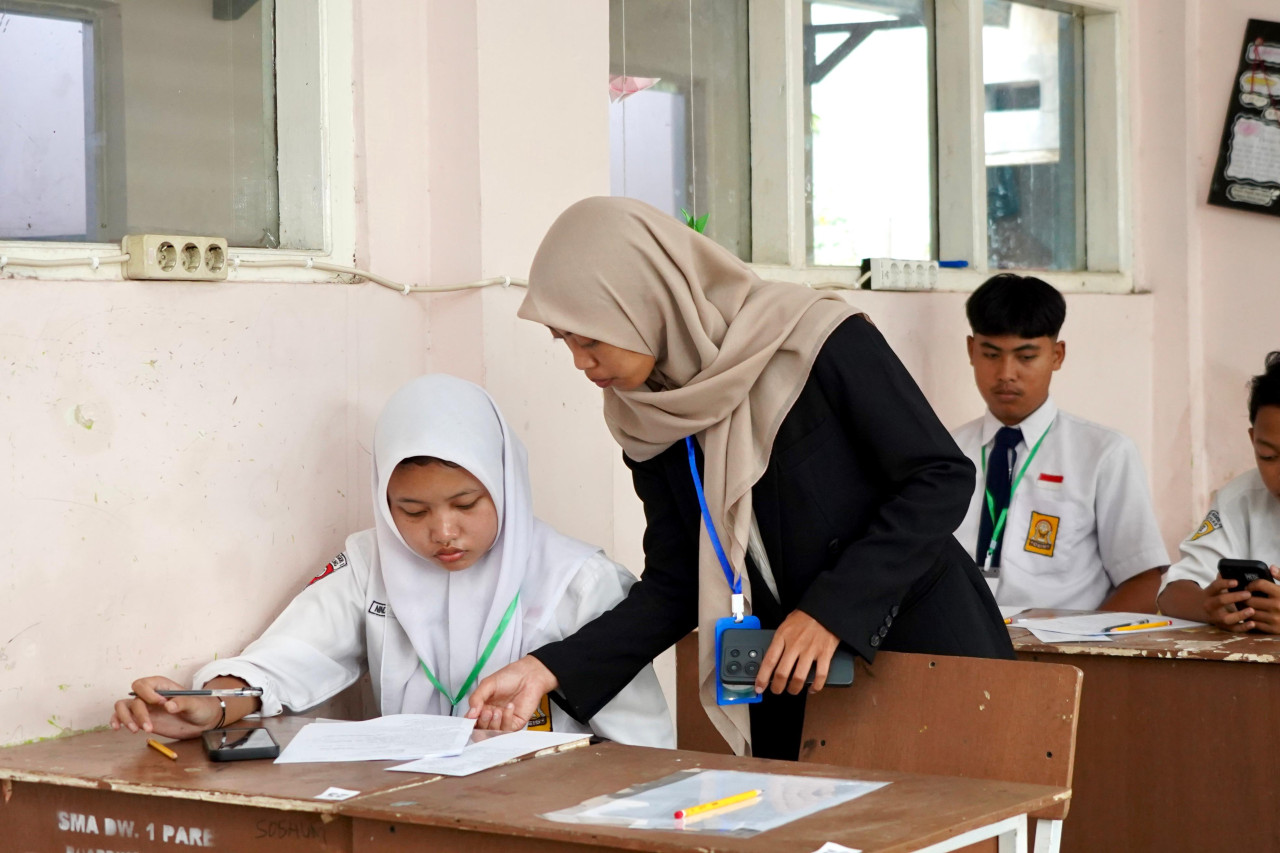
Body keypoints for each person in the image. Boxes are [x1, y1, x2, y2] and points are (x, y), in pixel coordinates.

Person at [466, 196, 1013, 760]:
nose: (581, 363)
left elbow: (937, 477)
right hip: (789, 683)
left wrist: (831, 612)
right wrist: (548, 668)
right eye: (567, 343)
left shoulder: (814, 336)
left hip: (920, 647)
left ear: (644, 302)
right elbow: (677, 585)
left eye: (590, 339)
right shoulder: (649, 417)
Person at [109, 374, 673, 747]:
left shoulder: (580, 582)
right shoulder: (369, 562)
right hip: (407, 808)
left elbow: (642, 747)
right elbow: (293, 655)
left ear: (507, 486)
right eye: (411, 509)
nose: (442, 532)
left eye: (466, 503)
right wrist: (211, 703)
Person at [950, 274, 1168, 612]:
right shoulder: (945, 452)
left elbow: (1143, 579)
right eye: (991, 355)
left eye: (1025, 357)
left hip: (1059, 648)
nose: (1006, 373)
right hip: (957, 640)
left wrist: (1084, 645)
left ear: (1057, 355)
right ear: (970, 350)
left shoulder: (1104, 454)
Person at [1158, 352, 1280, 630]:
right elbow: (1172, 592)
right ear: (1253, 440)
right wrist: (1207, 606)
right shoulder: (1241, 498)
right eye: (1268, 456)